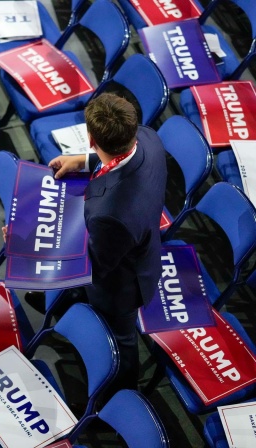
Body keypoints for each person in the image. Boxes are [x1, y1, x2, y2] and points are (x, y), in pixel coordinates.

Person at [48, 92, 167, 393]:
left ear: (90, 139)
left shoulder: (111, 216)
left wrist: (27, 240)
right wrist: (81, 162)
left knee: (120, 337)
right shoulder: (149, 138)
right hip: (138, 243)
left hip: (120, 286)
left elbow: (91, 266)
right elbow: (118, 159)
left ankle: (121, 392)